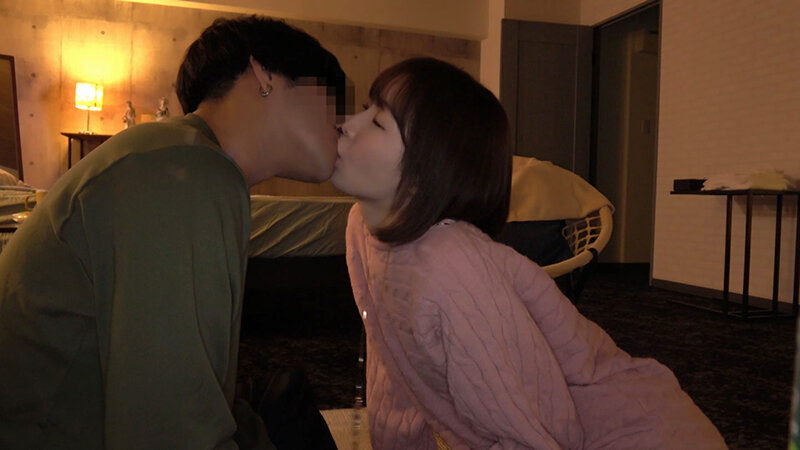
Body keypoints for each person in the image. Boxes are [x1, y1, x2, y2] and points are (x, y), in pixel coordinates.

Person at [331, 57, 726, 449]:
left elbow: (534, 428)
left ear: (427, 170)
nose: (347, 124)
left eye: (377, 121)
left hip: (632, 429)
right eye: (365, 108)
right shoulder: (362, 227)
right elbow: (392, 362)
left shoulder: (450, 266)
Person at [0, 16, 346, 449]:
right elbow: (169, 430)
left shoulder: (181, 160)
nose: (345, 121)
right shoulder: (183, 172)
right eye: (333, 97)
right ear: (264, 75)